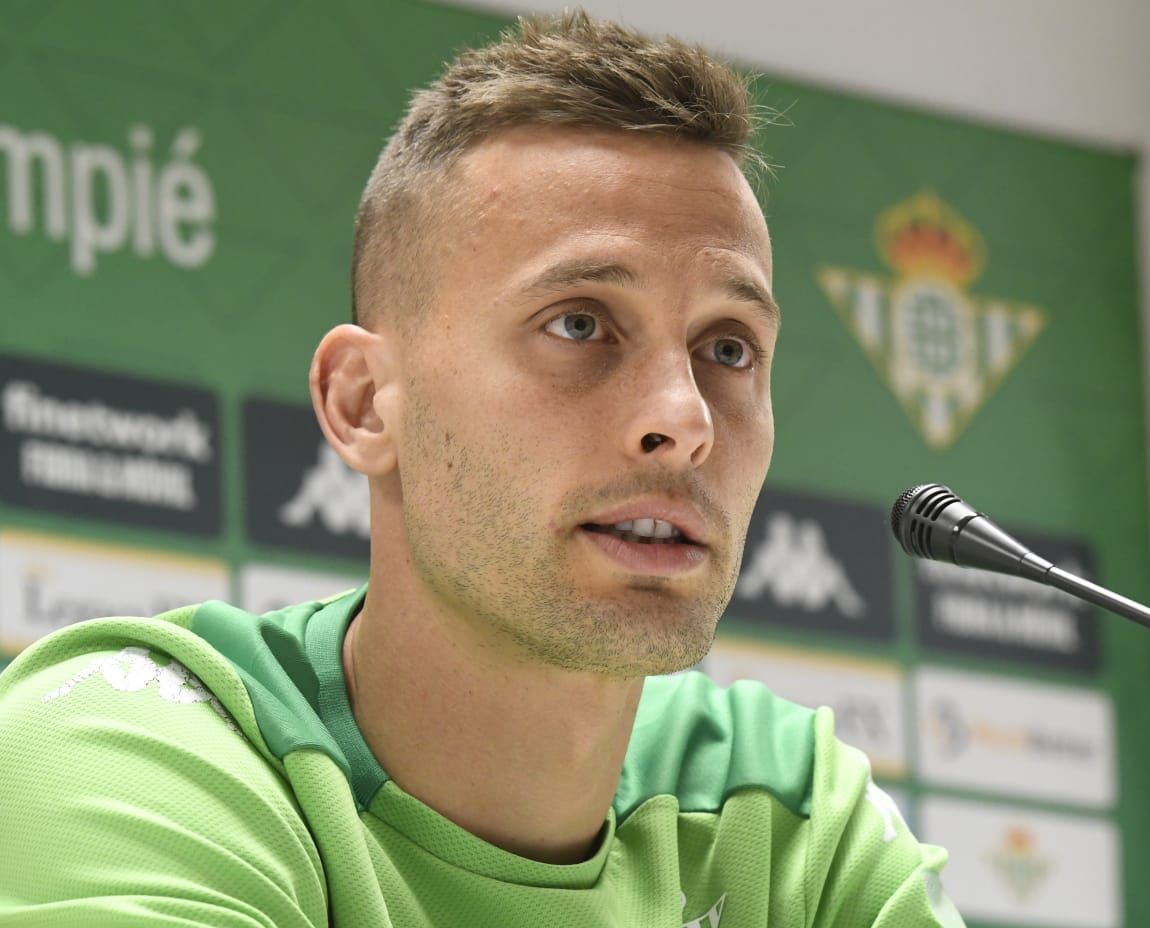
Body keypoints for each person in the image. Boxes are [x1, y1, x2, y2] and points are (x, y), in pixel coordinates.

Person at [0, 12, 964, 927]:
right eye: (579, 324)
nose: (684, 420)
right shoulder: (138, 755)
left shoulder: (784, 811)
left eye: (729, 347)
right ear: (365, 403)